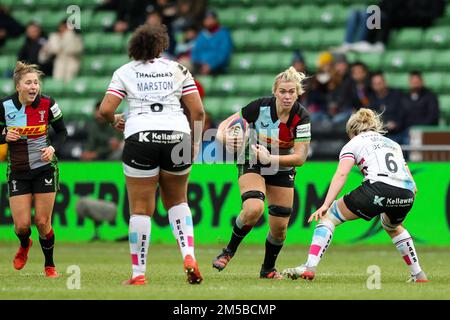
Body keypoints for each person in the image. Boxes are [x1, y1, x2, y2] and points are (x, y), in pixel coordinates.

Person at [99, 24, 205, 285]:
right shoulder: (178, 69)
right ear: (161, 46)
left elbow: (105, 109)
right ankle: (189, 255)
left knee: (141, 209)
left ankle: (138, 274)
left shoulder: (124, 72)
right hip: (177, 136)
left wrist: (115, 121)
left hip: (140, 136)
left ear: (134, 46)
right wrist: (196, 144)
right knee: (178, 201)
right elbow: (199, 112)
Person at [282, 108, 428, 283]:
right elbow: (413, 184)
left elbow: (342, 175)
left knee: (329, 216)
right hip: (406, 193)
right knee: (392, 226)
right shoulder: (393, 144)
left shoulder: (354, 143)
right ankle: (418, 274)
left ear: (352, 130)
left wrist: (325, 204)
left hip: (379, 189)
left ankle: (310, 266)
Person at [212, 67, 311, 279]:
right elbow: (224, 126)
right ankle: (228, 251)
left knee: (280, 228)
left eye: (291, 92)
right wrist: (222, 137)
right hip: (252, 160)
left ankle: (268, 269)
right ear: (275, 91)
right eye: (282, 91)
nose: (287, 96)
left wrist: (272, 159)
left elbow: (300, 158)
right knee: (253, 209)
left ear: (297, 93)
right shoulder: (259, 107)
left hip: (281, 165)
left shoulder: (302, 117)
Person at [0, 61, 68, 277]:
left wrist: (52, 147)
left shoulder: (49, 103)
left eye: (36, 83)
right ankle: (24, 244)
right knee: (22, 226)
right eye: (28, 83)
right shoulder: (4, 106)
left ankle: (50, 265)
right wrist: (3, 136)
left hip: (44, 169)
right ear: (18, 86)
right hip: (18, 171)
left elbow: (63, 132)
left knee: (42, 221)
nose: (33, 87)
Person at [191, 10, 233, 75]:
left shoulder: (223, 33)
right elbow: (196, 51)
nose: (208, 21)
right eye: (206, 19)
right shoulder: (202, 34)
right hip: (200, 66)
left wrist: (211, 65)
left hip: (217, 67)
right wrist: (199, 64)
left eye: (210, 18)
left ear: (215, 20)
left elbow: (223, 54)